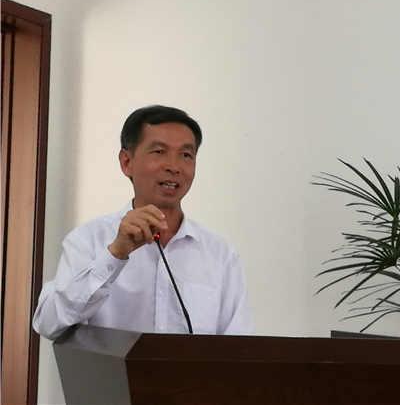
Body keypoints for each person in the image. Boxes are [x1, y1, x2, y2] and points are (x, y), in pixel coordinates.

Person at [33, 105, 253, 340]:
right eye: (159, 151)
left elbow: (240, 345)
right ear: (126, 162)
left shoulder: (219, 254)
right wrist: (114, 255)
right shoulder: (89, 240)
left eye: (186, 155)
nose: (174, 166)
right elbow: (48, 324)